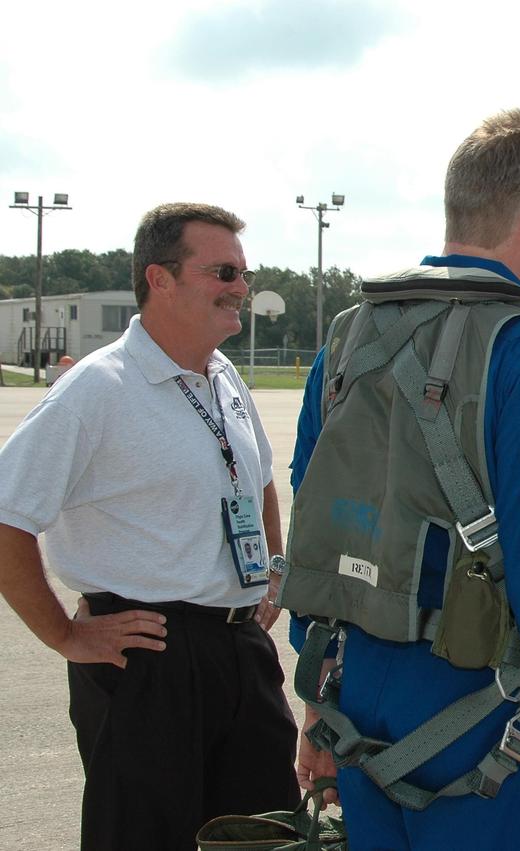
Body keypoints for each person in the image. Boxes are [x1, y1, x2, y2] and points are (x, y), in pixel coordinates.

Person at [287, 109, 520, 850]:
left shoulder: (348, 339)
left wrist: (318, 699)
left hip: (356, 696)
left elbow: (316, 511)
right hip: (476, 706)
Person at [0, 203, 298, 850]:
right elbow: (7, 514)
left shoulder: (223, 378)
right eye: (223, 271)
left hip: (240, 649)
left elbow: (261, 480)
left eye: (244, 272)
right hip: (150, 655)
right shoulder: (98, 389)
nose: (241, 286)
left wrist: (272, 569)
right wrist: (63, 633)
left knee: (265, 833)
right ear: (159, 278)